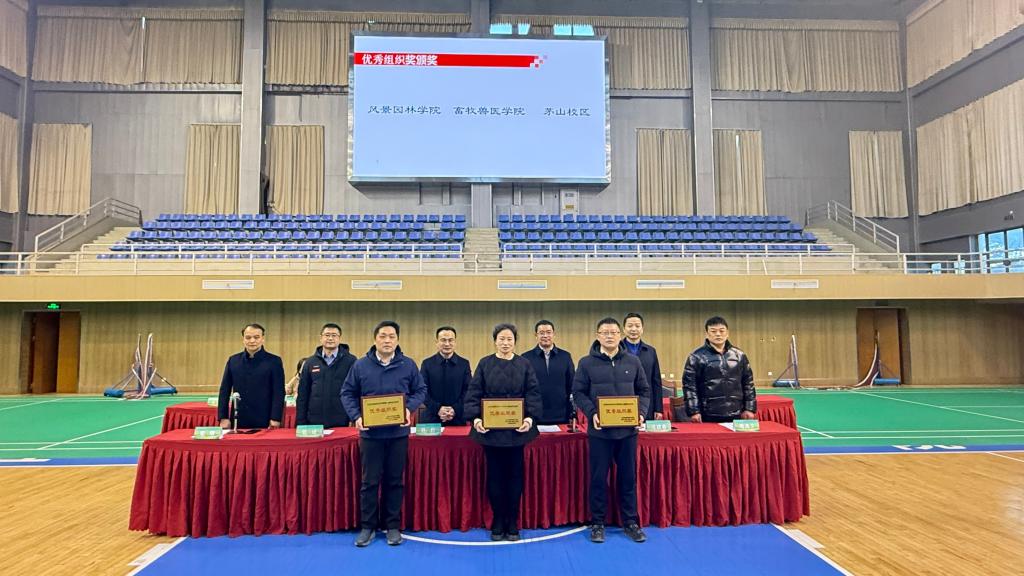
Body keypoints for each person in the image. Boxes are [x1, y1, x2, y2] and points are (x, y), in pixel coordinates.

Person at [341, 321, 427, 548]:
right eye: (383, 336)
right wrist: (356, 416)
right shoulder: (360, 365)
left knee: (394, 480)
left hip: (398, 434)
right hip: (370, 435)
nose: (387, 340)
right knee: (369, 482)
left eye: (391, 336)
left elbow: (421, 390)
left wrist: (408, 409)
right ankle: (368, 526)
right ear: (375, 339)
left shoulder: (408, 365)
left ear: (397, 340)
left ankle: (392, 526)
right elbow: (347, 393)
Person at [572, 317, 650, 544]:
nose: (609, 336)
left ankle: (630, 522)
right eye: (605, 332)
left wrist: (640, 413)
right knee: (598, 479)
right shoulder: (586, 363)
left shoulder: (633, 361)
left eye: (613, 332)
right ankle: (597, 523)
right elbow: (578, 393)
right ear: (597, 335)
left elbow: (644, 391)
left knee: (628, 478)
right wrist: (592, 413)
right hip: (600, 433)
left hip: (627, 432)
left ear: (620, 335)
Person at [464, 323, 542, 542]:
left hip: (517, 432)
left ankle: (513, 521)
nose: (505, 343)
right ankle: (498, 520)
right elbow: (473, 394)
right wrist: (476, 419)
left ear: (515, 342)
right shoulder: (485, 363)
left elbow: (533, 394)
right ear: (495, 341)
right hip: (491, 433)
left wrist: (529, 419)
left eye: (509, 339)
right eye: (502, 339)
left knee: (515, 476)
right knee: (495, 476)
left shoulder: (524, 364)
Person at [683, 316, 756, 423]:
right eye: (713, 331)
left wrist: (749, 408)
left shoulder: (739, 355)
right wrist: (694, 411)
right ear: (707, 334)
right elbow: (690, 387)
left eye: (722, 331)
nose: (718, 334)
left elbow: (748, 383)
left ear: (727, 333)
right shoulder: (696, 357)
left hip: (737, 412)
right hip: (708, 414)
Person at [218, 323, 285, 429]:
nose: (252, 341)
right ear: (243, 339)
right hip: (238, 418)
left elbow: (279, 392)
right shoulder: (233, 361)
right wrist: (223, 417)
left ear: (262, 339)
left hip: (265, 418)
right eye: (248, 337)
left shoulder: (274, 361)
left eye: (256, 337)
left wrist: (275, 418)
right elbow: (224, 391)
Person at [296, 323, 357, 428]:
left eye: (334, 335)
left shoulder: (351, 361)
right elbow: (303, 394)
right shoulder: (310, 362)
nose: (330, 338)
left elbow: (355, 391)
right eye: (327, 335)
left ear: (339, 338)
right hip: (314, 421)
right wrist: (301, 421)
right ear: (321, 338)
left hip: (342, 420)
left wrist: (354, 417)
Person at [523, 320, 575, 425]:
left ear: (554, 334)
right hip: (534, 415)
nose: (545, 336)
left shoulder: (565, 356)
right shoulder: (526, 358)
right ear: (536, 335)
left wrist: (571, 412)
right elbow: (524, 388)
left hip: (561, 414)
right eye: (541, 333)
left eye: (548, 332)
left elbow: (572, 385)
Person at [419, 326, 471, 426]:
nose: (447, 344)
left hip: (457, 418)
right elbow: (422, 390)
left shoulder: (464, 364)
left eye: (450, 340)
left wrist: (454, 409)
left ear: (455, 342)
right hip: (432, 417)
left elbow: (468, 390)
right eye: (443, 340)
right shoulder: (427, 364)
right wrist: (438, 409)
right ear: (437, 342)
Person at [620, 313, 664, 420]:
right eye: (630, 326)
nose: (633, 329)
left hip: (647, 403)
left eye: (637, 326)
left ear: (642, 329)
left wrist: (658, 409)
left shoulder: (650, 351)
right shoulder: (617, 350)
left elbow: (656, 381)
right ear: (624, 329)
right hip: (623, 403)